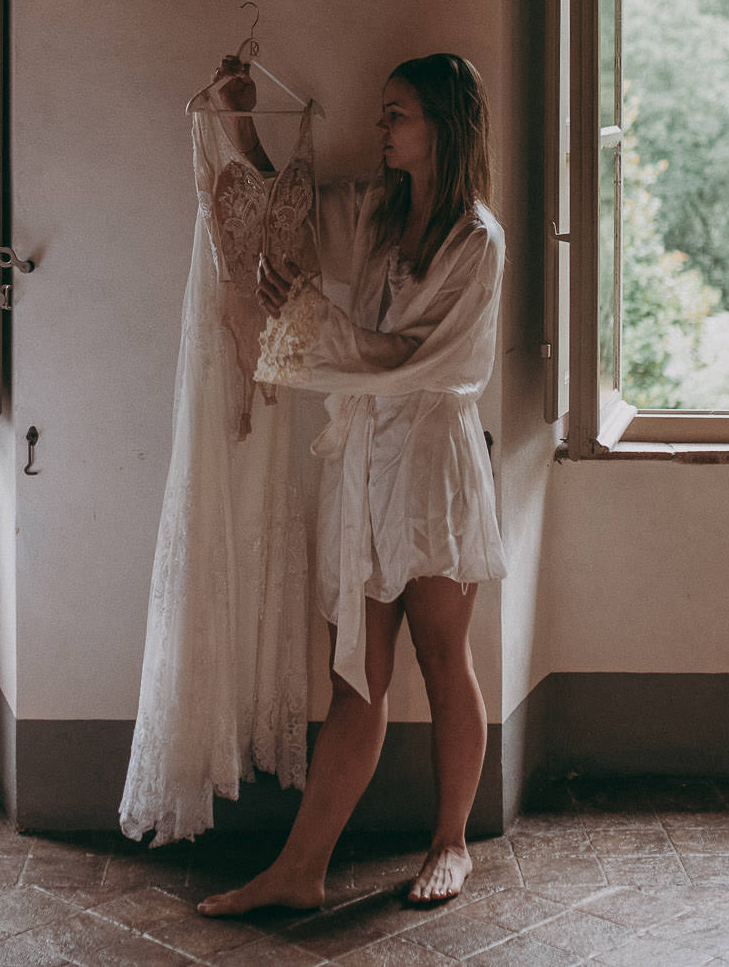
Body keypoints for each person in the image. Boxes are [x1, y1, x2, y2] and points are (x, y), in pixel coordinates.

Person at [200, 52, 507, 914]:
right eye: (382, 113)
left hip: (433, 464)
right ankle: (301, 869)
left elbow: (428, 362)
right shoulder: (377, 209)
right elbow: (281, 214)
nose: (380, 129)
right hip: (364, 461)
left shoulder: (477, 240)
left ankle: (449, 842)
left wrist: (312, 319)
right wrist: (241, 121)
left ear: (443, 124)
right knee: (354, 679)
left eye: (396, 114)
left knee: (445, 659)